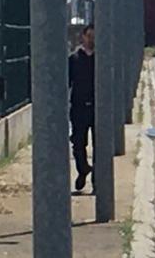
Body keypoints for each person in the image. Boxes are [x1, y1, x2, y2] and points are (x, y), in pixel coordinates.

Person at [69, 25, 95, 192]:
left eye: (94, 36)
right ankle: (83, 169)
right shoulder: (74, 59)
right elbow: (67, 82)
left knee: (100, 145)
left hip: (98, 107)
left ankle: (98, 180)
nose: (92, 40)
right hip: (79, 107)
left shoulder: (101, 58)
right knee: (78, 143)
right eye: (89, 36)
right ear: (83, 37)